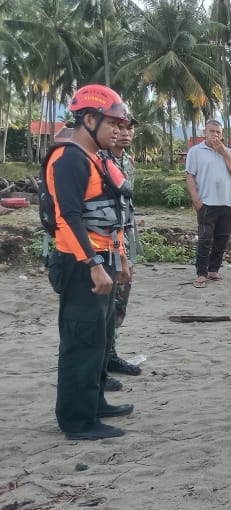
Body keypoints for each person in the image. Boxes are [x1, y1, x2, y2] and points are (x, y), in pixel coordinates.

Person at [43, 84, 134, 440]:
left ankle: (95, 401)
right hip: (81, 263)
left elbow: (114, 216)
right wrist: (94, 265)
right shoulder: (68, 159)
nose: (118, 129)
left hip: (103, 258)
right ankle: (77, 421)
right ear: (90, 118)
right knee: (81, 341)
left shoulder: (96, 157)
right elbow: (69, 217)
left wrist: (120, 260)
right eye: (112, 122)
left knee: (99, 337)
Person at [106, 117, 142, 377]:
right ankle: (100, 359)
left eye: (130, 128)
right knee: (103, 303)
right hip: (103, 241)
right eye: (120, 127)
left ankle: (110, 354)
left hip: (125, 238)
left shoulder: (128, 162)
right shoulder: (97, 160)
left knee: (120, 300)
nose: (126, 133)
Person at [186, 119, 231, 288]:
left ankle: (213, 270)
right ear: (205, 132)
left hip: (227, 203)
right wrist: (196, 200)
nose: (215, 135)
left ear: (222, 135)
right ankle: (201, 274)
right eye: (212, 131)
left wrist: (223, 152)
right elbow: (190, 176)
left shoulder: (228, 152)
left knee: (221, 239)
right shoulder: (195, 151)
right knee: (205, 239)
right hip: (207, 203)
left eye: (218, 132)